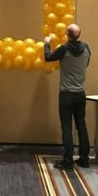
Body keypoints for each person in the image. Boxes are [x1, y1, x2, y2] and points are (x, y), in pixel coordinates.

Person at [44, 23, 91, 170]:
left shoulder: (64, 49)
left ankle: (68, 161)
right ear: (79, 34)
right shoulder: (87, 48)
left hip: (66, 95)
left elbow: (48, 57)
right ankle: (84, 159)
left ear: (67, 34)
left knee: (67, 128)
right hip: (80, 94)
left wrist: (46, 44)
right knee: (81, 126)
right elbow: (86, 64)